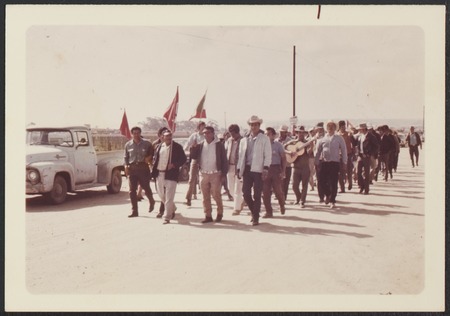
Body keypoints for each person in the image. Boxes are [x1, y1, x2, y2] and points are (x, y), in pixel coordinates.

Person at [237, 115, 272, 226]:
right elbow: (241, 155)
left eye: (256, 124)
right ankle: (254, 212)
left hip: (258, 169)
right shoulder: (244, 140)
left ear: (259, 125)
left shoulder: (264, 139)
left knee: (257, 194)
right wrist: (239, 168)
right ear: (249, 126)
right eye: (252, 124)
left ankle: (255, 217)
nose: (254, 126)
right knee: (246, 193)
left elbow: (268, 155)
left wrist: (266, 168)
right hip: (247, 169)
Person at [191, 126, 228, 223]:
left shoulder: (219, 145)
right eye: (204, 133)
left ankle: (220, 213)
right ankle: (208, 215)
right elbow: (193, 157)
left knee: (216, 195)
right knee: (205, 196)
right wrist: (193, 148)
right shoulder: (201, 145)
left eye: (207, 133)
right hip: (203, 173)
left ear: (212, 133)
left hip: (216, 173)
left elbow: (224, 160)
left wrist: (224, 174)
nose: (205, 135)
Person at [152, 130, 187, 224]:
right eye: (166, 136)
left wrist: (174, 165)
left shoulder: (177, 147)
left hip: (171, 175)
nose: (168, 138)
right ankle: (173, 207)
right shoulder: (159, 147)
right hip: (160, 173)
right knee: (161, 195)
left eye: (170, 136)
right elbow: (155, 159)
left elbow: (183, 159)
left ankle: (167, 216)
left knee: (169, 197)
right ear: (162, 137)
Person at [124, 126, 156, 218]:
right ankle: (134, 211)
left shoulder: (147, 144)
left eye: (138, 133)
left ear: (140, 133)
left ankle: (151, 201)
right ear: (132, 134)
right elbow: (126, 157)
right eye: (134, 133)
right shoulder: (128, 145)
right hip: (132, 169)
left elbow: (153, 153)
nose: (136, 135)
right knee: (132, 191)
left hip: (143, 168)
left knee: (146, 188)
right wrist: (126, 166)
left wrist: (149, 157)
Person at [315, 120, 347, 209]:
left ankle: (332, 200)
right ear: (326, 128)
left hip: (335, 163)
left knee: (333, 182)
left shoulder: (339, 138)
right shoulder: (323, 139)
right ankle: (328, 194)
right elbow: (317, 152)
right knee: (321, 181)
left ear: (335, 128)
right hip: (325, 162)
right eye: (329, 126)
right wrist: (316, 162)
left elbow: (344, 150)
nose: (330, 128)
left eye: (332, 126)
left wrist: (344, 162)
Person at [262, 127, 286, 218]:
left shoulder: (278, 145)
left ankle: (282, 204)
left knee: (278, 191)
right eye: (265, 134)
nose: (266, 136)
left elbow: (283, 158)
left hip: (276, 169)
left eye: (268, 134)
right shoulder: (262, 145)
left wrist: (283, 171)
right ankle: (269, 211)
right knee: (265, 192)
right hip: (265, 169)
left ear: (273, 135)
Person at [285, 126, 313, 208]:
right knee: (294, 186)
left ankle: (302, 201)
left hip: (305, 167)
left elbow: (309, 153)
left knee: (305, 185)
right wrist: (290, 151)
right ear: (296, 133)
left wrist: (311, 146)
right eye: (299, 132)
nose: (301, 134)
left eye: (302, 132)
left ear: (305, 134)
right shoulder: (292, 142)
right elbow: (283, 147)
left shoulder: (307, 142)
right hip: (295, 167)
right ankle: (298, 197)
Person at [184, 121, 206, 206]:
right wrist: (192, 146)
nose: (203, 128)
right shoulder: (194, 136)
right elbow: (186, 146)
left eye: (204, 127)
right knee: (191, 179)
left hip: (204, 159)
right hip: (195, 159)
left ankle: (206, 198)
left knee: (204, 180)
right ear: (198, 127)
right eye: (202, 127)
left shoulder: (206, 136)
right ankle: (188, 198)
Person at [225, 124, 244, 216]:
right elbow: (226, 151)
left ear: (237, 132)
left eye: (232, 133)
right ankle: (241, 201)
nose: (231, 135)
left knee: (237, 189)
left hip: (239, 167)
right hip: (230, 167)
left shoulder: (243, 141)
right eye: (230, 133)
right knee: (230, 188)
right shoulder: (229, 141)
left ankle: (236, 208)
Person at [355, 123, 379, 195]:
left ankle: (366, 189)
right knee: (358, 172)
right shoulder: (360, 136)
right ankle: (362, 185)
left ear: (364, 129)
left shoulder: (371, 136)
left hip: (367, 156)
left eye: (360, 129)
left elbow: (376, 146)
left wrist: (369, 154)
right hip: (360, 156)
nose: (359, 130)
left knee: (366, 172)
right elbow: (358, 145)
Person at [152, 126, 169, 218]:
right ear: (159, 135)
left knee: (166, 192)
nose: (164, 136)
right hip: (158, 172)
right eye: (162, 134)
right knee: (159, 192)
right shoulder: (155, 145)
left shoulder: (172, 145)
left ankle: (162, 210)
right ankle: (171, 207)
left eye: (166, 134)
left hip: (168, 173)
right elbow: (151, 157)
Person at [276, 125, 294, 201]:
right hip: (277, 164)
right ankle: (279, 195)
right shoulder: (276, 141)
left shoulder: (290, 141)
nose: (281, 134)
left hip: (287, 164)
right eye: (280, 132)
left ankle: (284, 197)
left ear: (286, 133)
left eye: (282, 132)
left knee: (285, 182)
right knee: (278, 181)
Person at [337, 120, 355, 192]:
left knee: (349, 170)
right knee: (340, 172)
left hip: (348, 154)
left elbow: (354, 144)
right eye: (341, 127)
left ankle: (350, 182)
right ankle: (342, 188)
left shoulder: (349, 135)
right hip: (340, 155)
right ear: (339, 127)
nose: (343, 128)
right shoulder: (337, 135)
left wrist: (353, 153)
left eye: (344, 126)